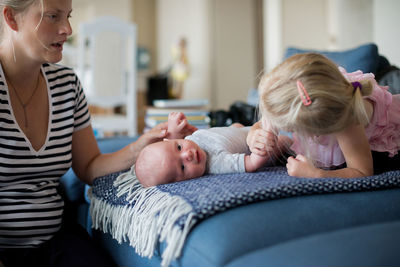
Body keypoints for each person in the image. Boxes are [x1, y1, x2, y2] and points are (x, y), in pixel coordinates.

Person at [0, 1, 195, 266]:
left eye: (67, 16)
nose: (67, 29)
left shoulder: (67, 85)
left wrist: (140, 146)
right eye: (53, 17)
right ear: (12, 18)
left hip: (55, 243)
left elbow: (89, 166)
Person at [247, 52, 400, 179]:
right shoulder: (296, 91)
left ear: (316, 127)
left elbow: (362, 171)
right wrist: (254, 135)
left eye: (291, 128)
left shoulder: (347, 120)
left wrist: (317, 174)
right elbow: (265, 121)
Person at [135, 112, 290, 187]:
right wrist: (269, 134)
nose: (187, 155)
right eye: (182, 167)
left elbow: (175, 141)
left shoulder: (187, 142)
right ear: (179, 182)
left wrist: (175, 128)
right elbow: (252, 163)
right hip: (260, 141)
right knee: (285, 142)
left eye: (179, 147)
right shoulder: (216, 163)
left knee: (236, 126)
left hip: (240, 131)